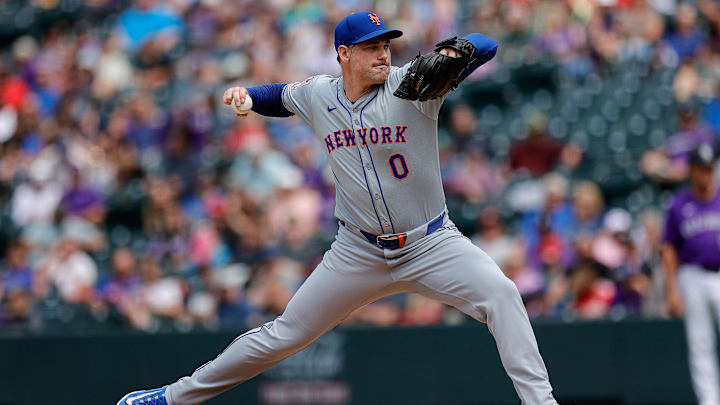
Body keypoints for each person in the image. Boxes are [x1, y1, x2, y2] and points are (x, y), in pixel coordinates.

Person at [117, 11, 558, 405]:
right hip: (358, 251)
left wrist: (454, 50)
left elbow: (487, 46)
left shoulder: (413, 86)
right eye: (371, 47)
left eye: (386, 45)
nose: (383, 54)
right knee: (283, 335)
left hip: (430, 243)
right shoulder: (319, 95)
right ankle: (172, 398)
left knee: (503, 294)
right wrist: (249, 97)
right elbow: (281, 95)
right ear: (344, 54)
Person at [663, 143, 720, 405]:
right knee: (700, 344)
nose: (705, 174)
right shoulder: (679, 204)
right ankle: (709, 401)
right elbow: (668, 248)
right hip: (693, 275)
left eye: (709, 168)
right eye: (701, 168)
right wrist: (672, 289)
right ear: (692, 170)